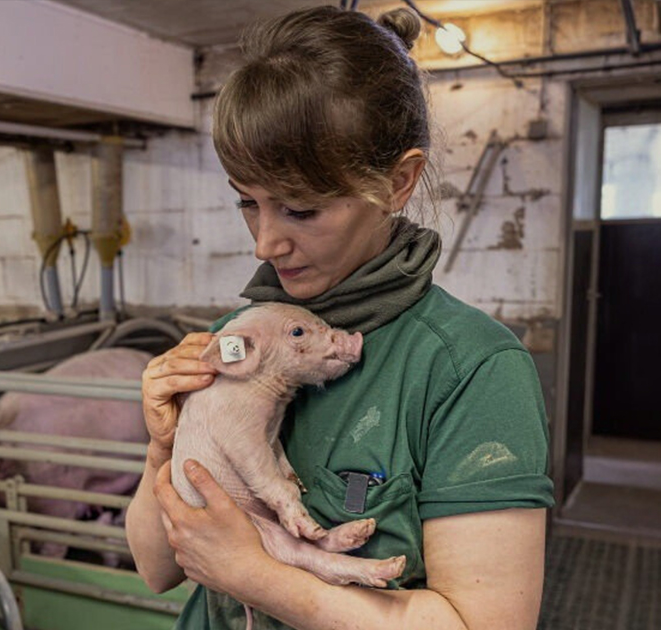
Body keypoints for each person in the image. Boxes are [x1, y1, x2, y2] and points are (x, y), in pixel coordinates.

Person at [124, 5, 554, 629]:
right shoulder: (239, 337)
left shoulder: (472, 370)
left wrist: (258, 577)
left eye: (300, 210)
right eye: (249, 202)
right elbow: (157, 567)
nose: (265, 243)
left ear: (399, 181)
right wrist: (164, 448)